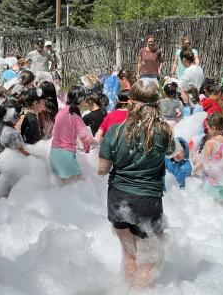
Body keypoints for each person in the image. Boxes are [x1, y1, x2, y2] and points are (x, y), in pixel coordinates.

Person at [98, 79, 174, 289]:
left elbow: (102, 169)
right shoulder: (164, 131)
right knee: (149, 260)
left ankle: (126, 289)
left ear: (130, 102)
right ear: (156, 103)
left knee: (129, 254)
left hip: (118, 197)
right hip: (147, 201)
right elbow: (175, 153)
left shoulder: (115, 130)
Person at [49, 85, 95, 185]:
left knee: (62, 190)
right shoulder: (76, 117)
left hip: (53, 155)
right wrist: (96, 143)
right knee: (79, 187)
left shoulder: (61, 112)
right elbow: (86, 138)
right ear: (81, 100)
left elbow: (54, 132)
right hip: (65, 157)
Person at [193, 113, 223, 202]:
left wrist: (194, 170)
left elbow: (205, 162)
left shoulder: (210, 142)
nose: (207, 130)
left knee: (208, 202)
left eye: (208, 128)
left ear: (213, 128)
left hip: (213, 179)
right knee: (219, 202)